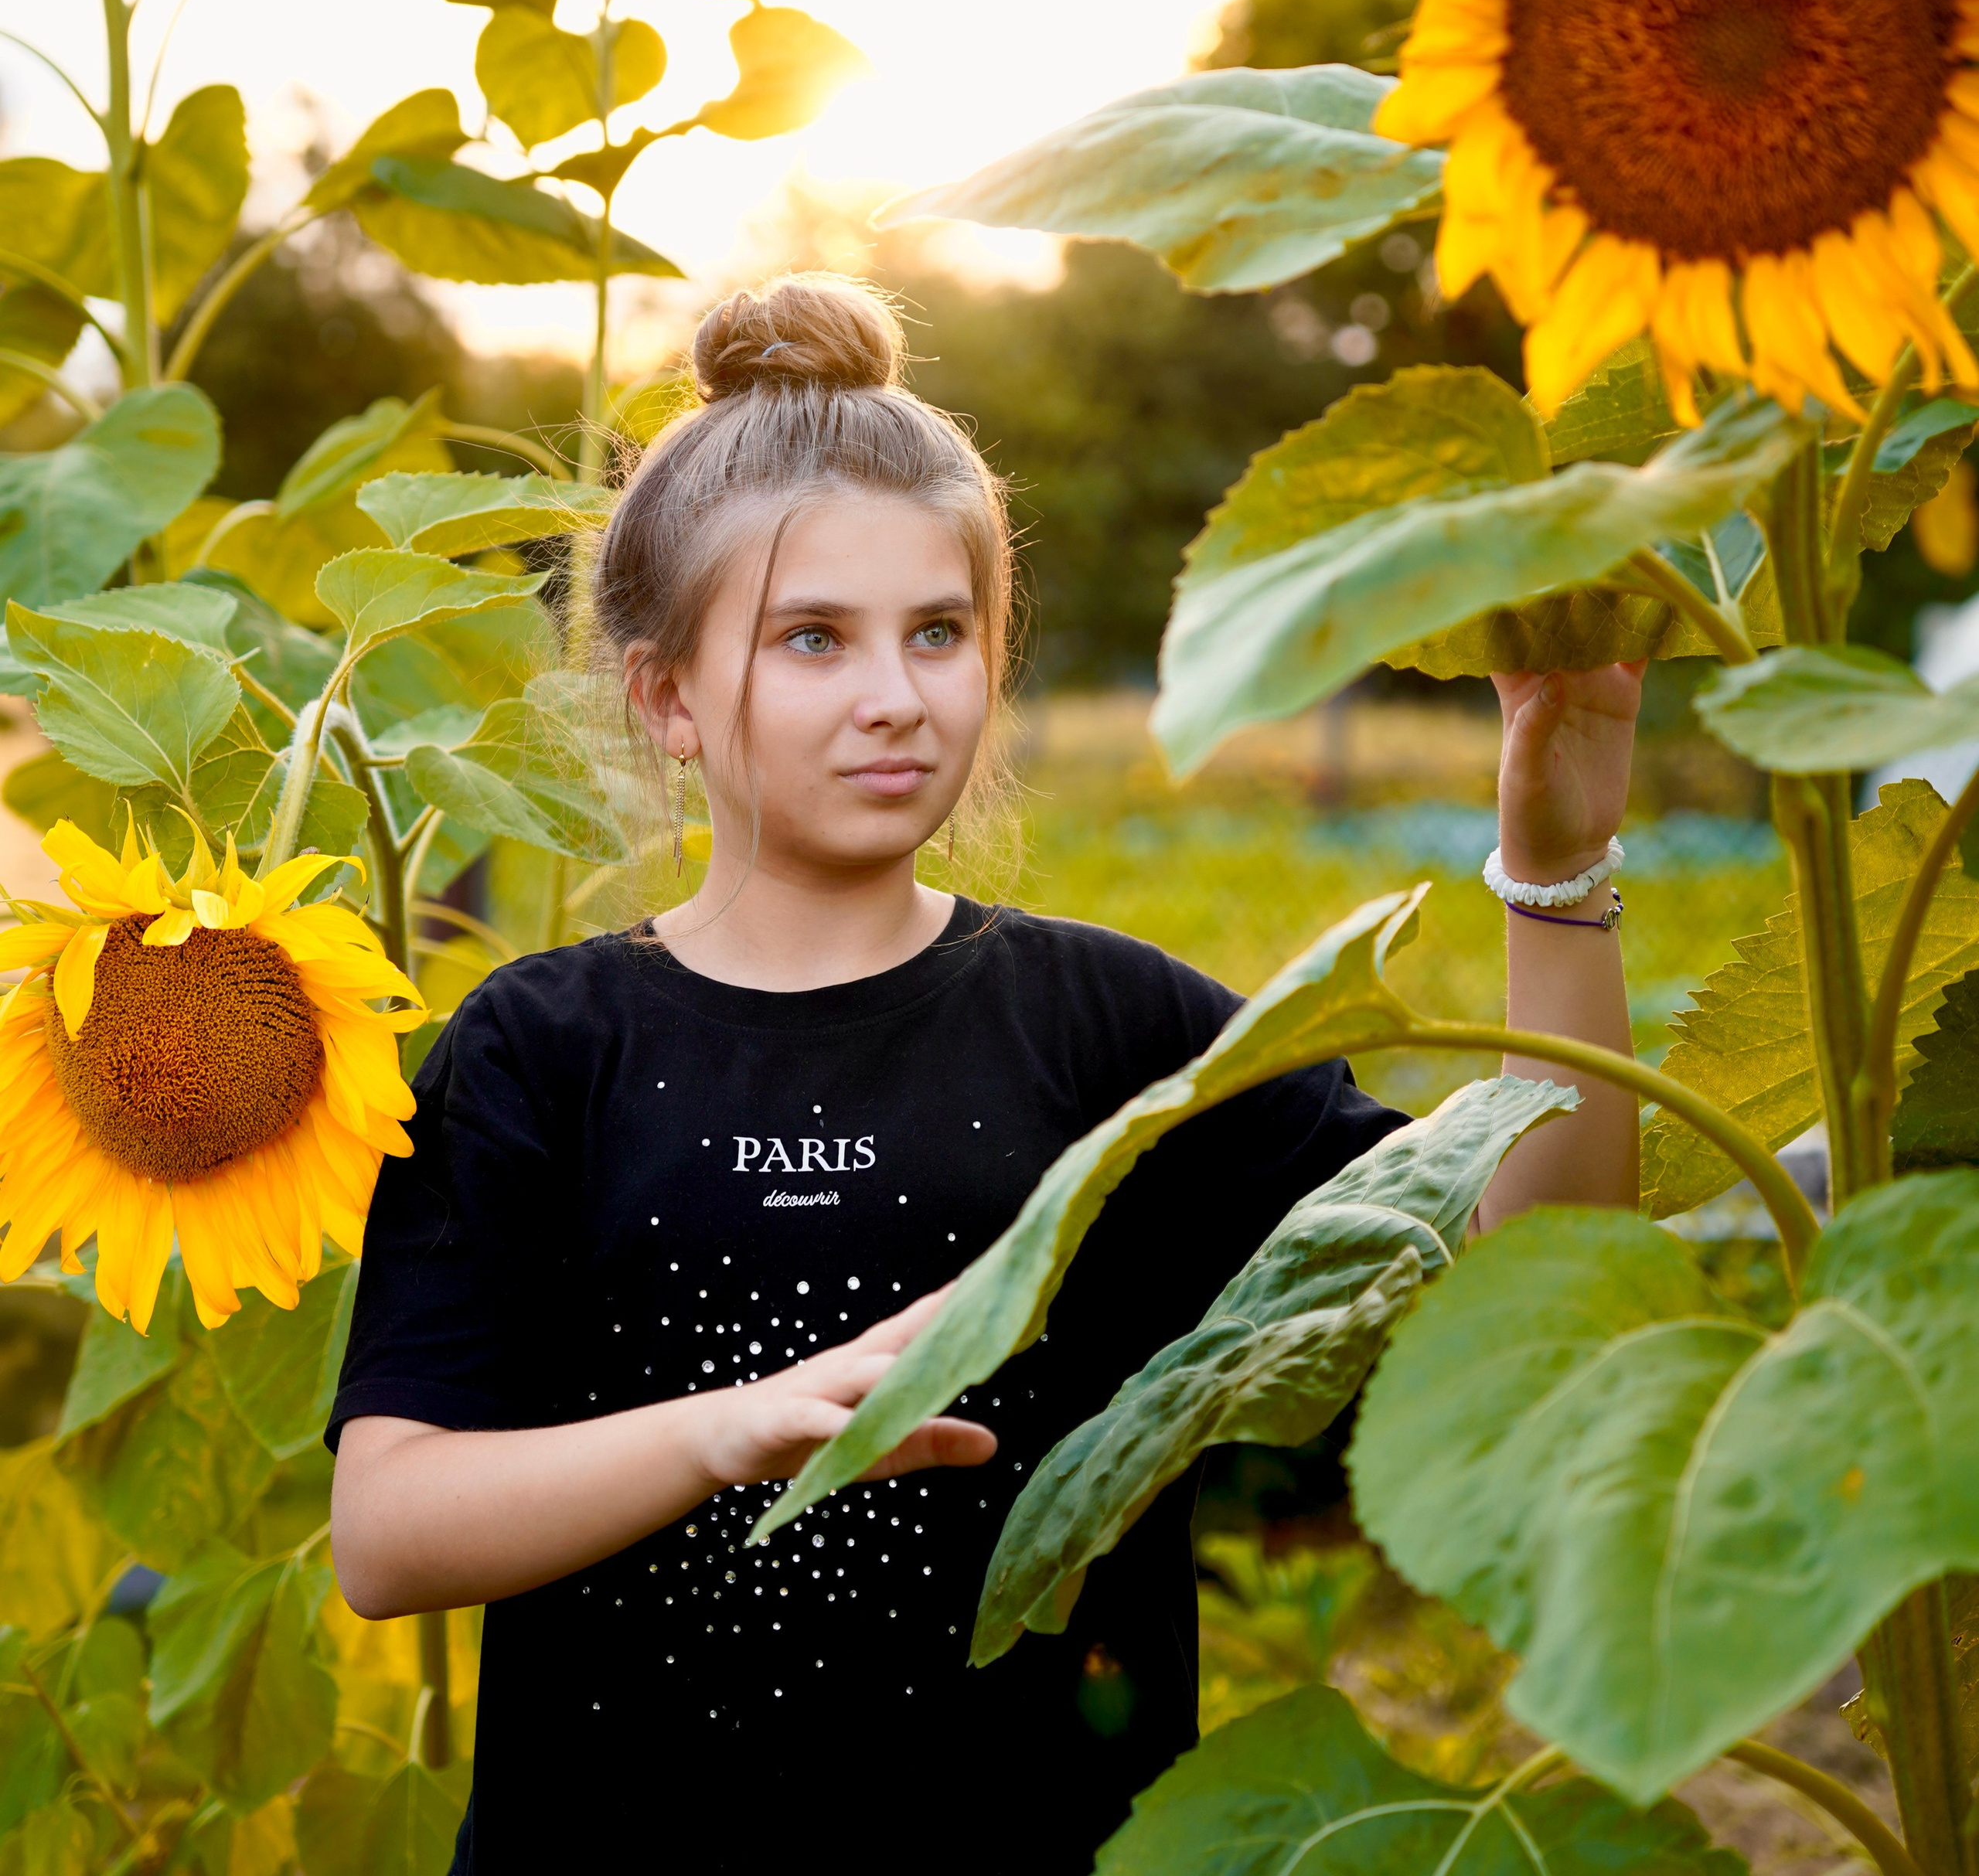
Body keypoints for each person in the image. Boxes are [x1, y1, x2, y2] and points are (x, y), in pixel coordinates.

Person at [327, 274, 1644, 1874]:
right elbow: (390, 1529)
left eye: (937, 631)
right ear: (663, 694)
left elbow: (1522, 1248)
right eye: (812, 637)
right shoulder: (540, 1050)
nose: (896, 693)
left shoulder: (1110, 1027)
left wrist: (1554, 863)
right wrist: (730, 1428)